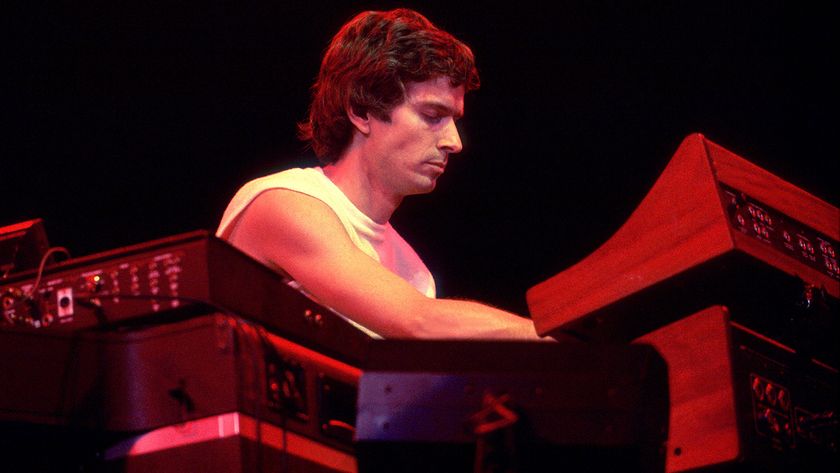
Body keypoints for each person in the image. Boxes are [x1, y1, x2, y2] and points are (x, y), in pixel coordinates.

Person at [217, 8, 544, 340]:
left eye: (455, 120)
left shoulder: (415, 274)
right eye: (433, 115)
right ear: (362, 111)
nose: (454, 142)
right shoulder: (284, 204)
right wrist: (552, 338)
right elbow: (418, 320)